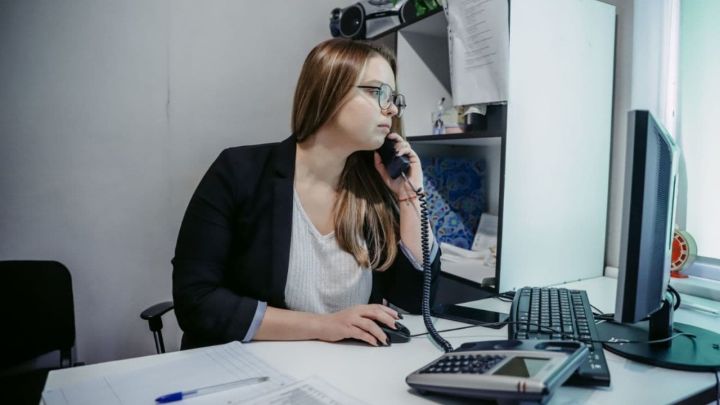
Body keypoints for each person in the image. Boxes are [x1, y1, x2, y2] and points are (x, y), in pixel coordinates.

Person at [172, 38, 441, 350]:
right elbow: (196, 300)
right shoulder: (239, 172)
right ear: (329, 91)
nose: (392, 108)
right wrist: (323, 326)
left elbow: (415, 299)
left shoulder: (375, 188)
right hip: (251, 370)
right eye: (378, 92)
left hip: (347, 370)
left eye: (394, 97)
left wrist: (409, 197)